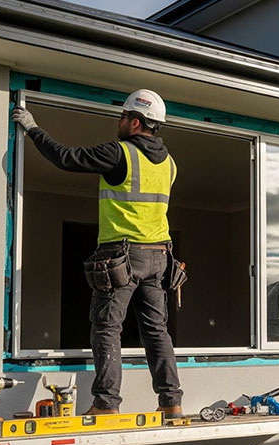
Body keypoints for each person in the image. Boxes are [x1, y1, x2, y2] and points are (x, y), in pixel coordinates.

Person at [12, 90, 184, 419]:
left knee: (107, 327)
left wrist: (33, 128)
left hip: (122, 255)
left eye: (122, 116)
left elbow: (66, 157)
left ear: (135, 122)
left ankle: (106, 404)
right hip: (159, 257)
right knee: (156, 331)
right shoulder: (170, 164)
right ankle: (171, 402)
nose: (117, 122)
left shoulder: (119, 153)